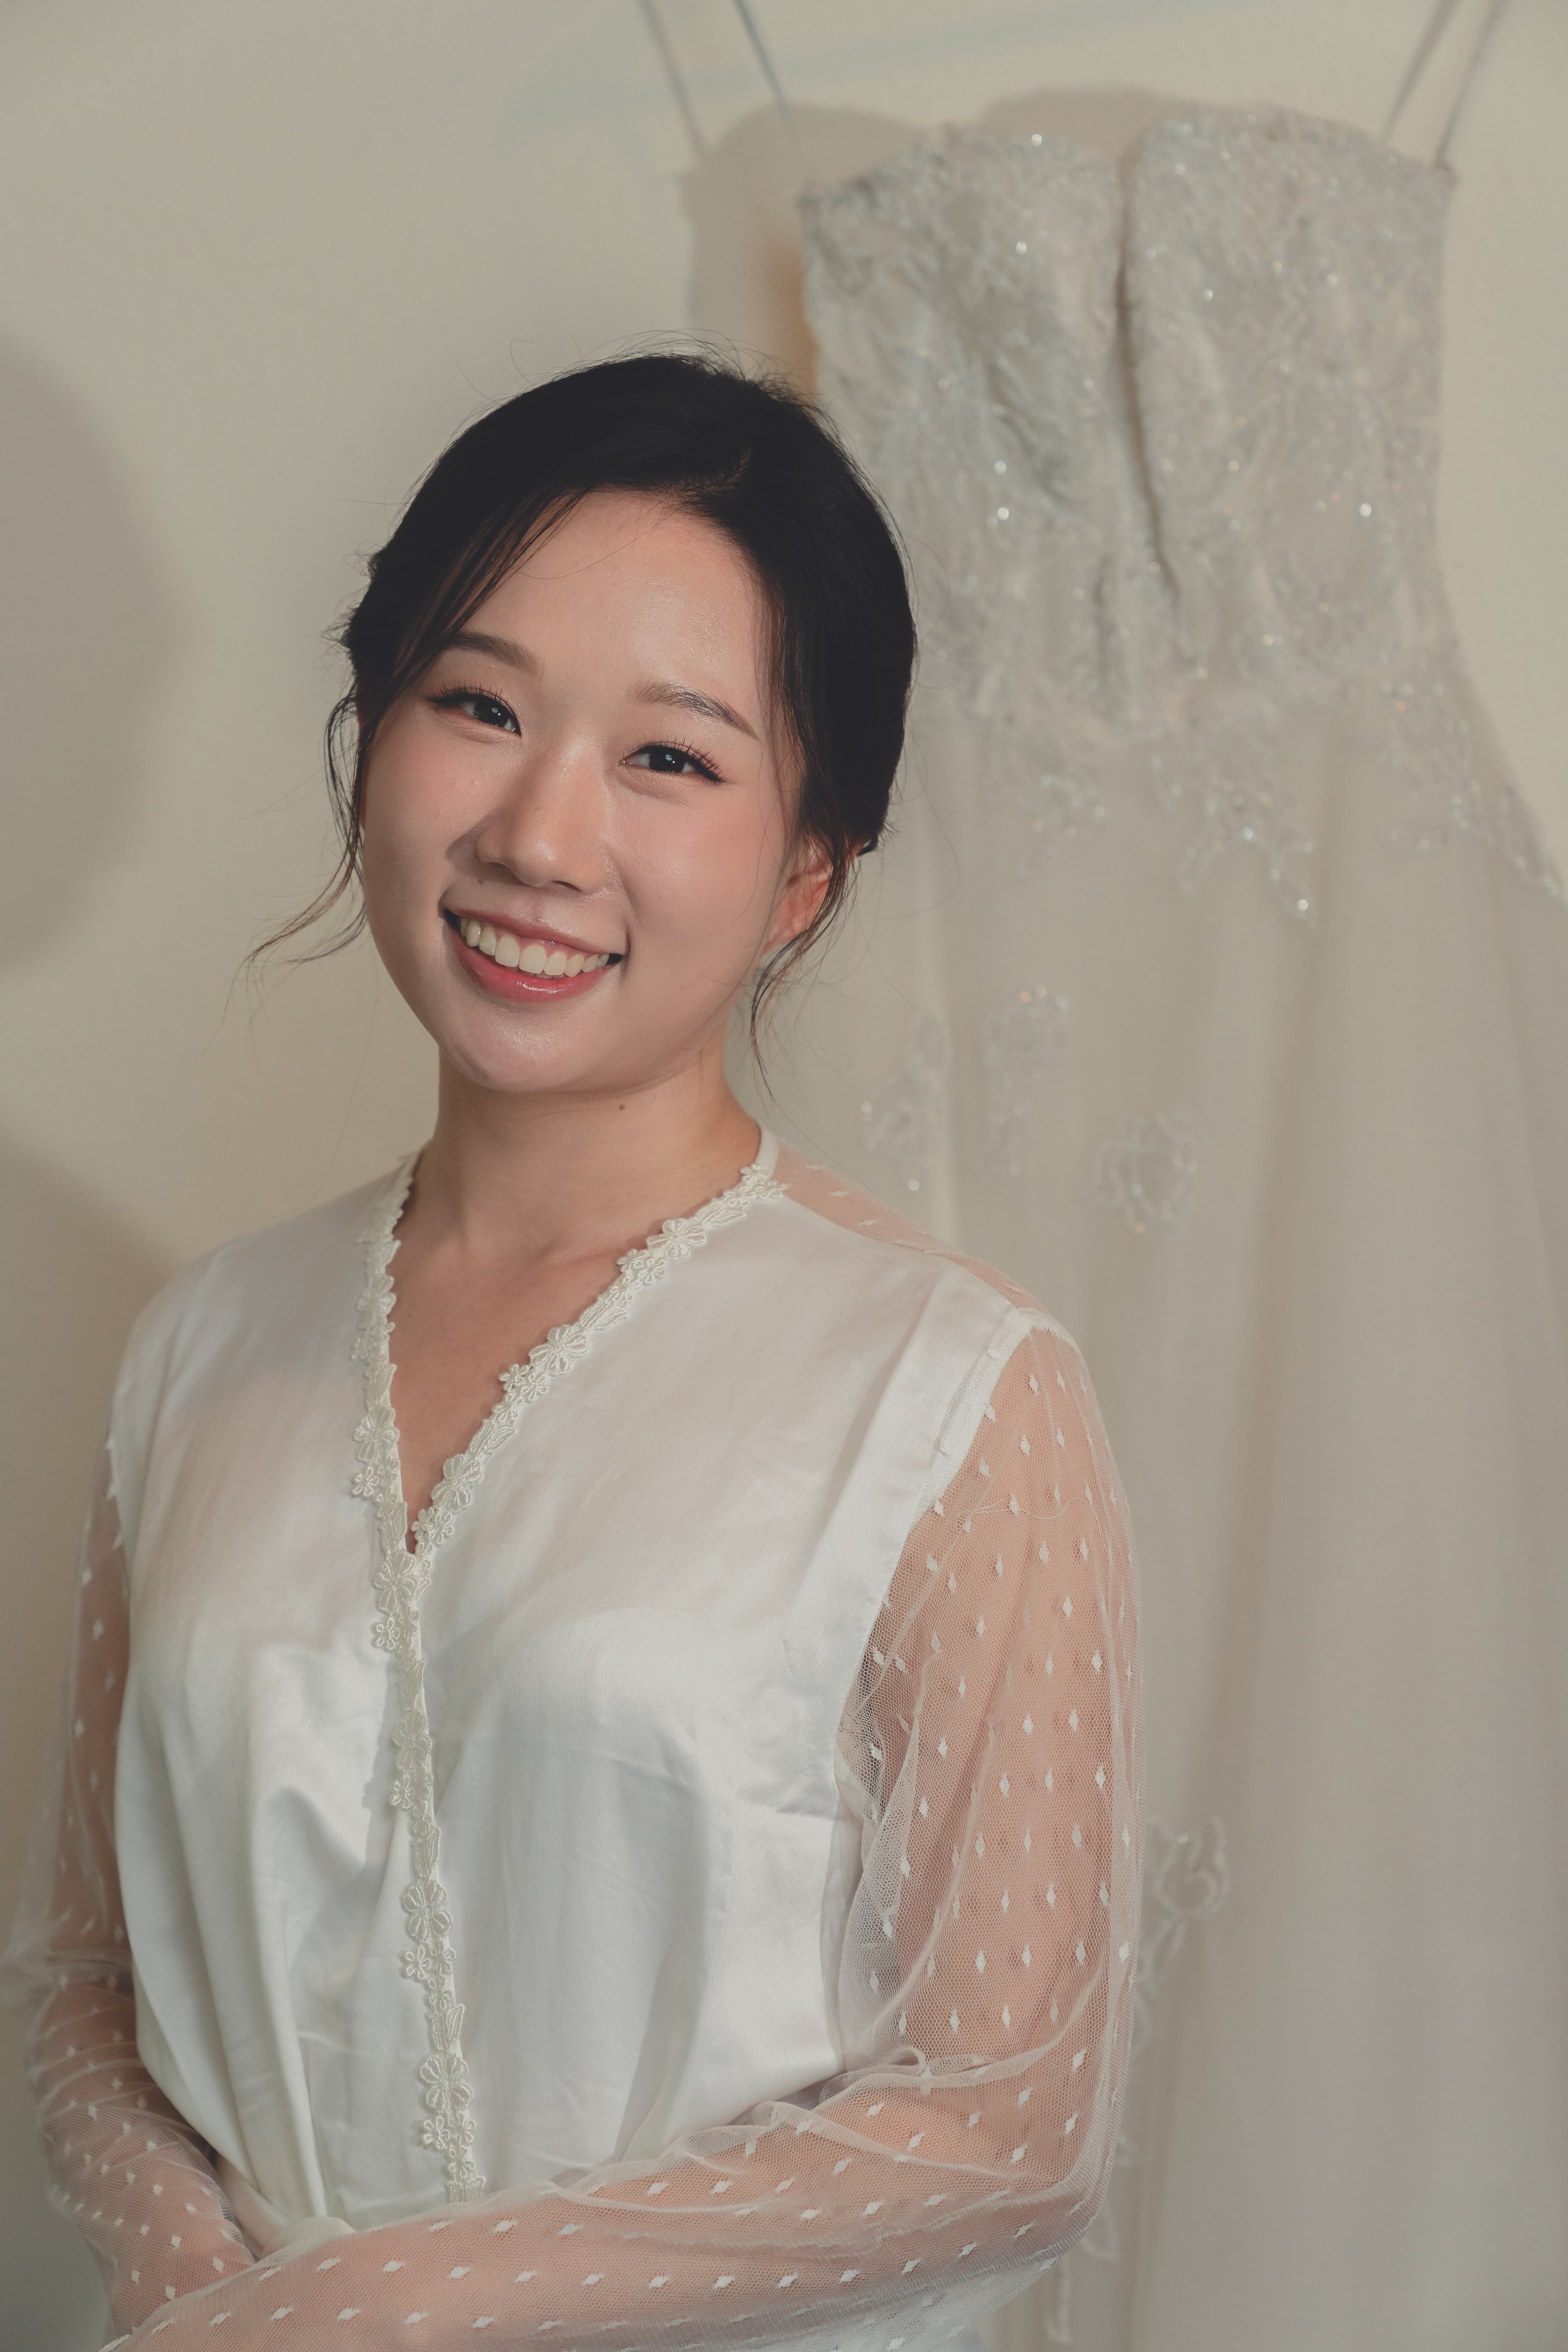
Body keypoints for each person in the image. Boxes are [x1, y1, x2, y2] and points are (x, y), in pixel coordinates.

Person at [1, 351, 1142, 2351]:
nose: (539, 832)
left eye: (671, 759)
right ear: (372, 741)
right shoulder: (203, 1341)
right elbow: (80, 1973)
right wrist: (193, 2288)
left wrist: (367, 2310)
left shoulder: (948, 1391)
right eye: (480, 706)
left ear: (808, 871)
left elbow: (1008, 2124)